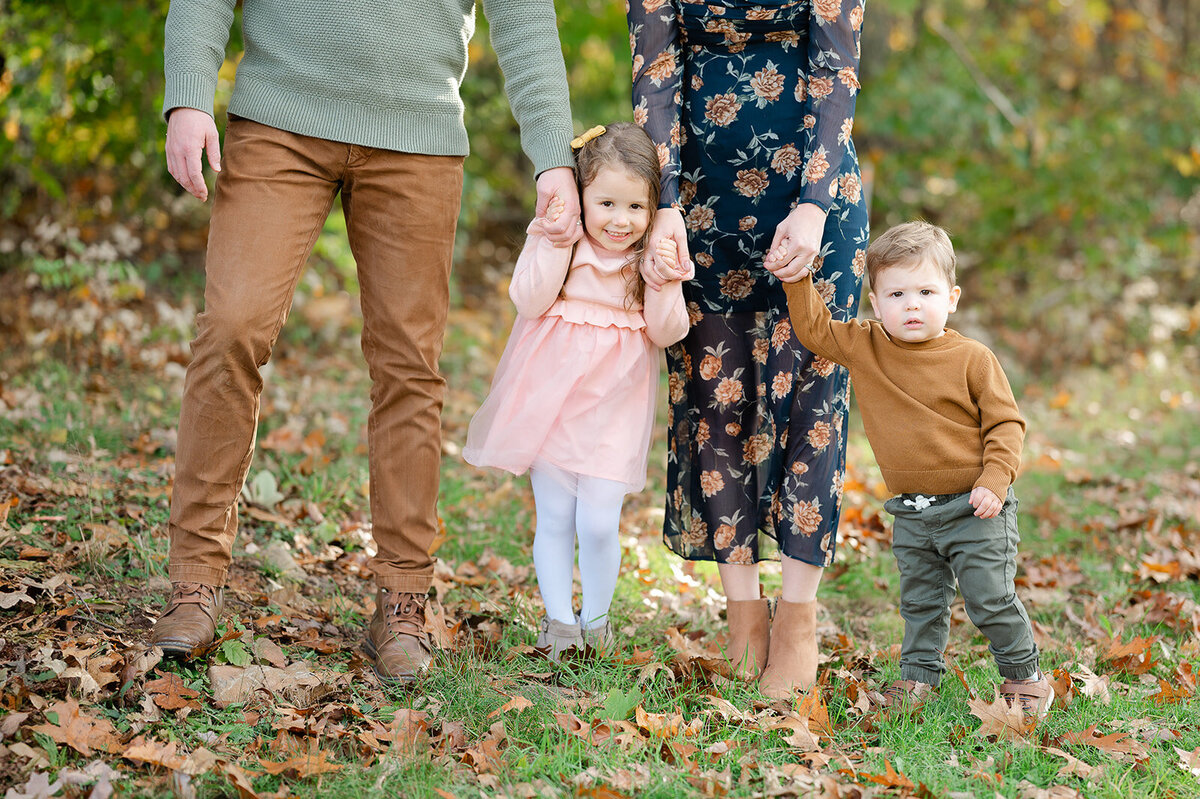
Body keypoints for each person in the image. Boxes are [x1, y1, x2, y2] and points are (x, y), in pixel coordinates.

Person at [150, 0, 580, 684]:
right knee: (233, 325)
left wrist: (554, 158)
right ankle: (193, 582)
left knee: (409, 365)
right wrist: (188, 97)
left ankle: (404, 599)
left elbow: (525, 18)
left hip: (419, 136)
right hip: (278, 119)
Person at [628, 1, 869, 696]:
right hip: (698, 203)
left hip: (814, 204)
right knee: (713, 402)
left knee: (813, 405)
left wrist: (816, 204)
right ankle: (742, 614)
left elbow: (837, 67)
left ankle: (797, 615)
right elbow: (654, 71)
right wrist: (664, 202)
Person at [782, 221, 1054, 720]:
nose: (911, 304)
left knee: (989, 597)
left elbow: (1006, 425)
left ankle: (1024, 673)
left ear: (951, 298)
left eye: (925, 291)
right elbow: (815, 330)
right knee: (921, 602)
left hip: (976, 507)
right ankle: (918, 679)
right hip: (912, 512)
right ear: (876, 301)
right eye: (897, 293)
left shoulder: (973, 358)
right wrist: (795, 280)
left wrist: (995, 479)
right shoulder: (866, 346)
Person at [463, 123, 691, 660]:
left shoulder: (649, 257)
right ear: (581, 196)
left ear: (653, 208)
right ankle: (560, 624)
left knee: (597, 518)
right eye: (606, 202)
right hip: (553, 400)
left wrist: (663, 281)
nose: (620, 220)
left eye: (635, 207)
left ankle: (598, 621)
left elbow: (666, 332)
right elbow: (528, 299)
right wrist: (554, 239)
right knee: (557, 516)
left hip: (615, 408)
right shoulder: (562, 239)